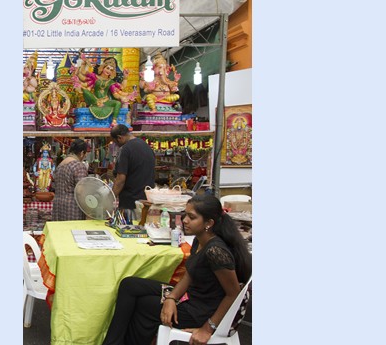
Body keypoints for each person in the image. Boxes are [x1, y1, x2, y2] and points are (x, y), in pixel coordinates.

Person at [101, 194, 252, 345]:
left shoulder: (216, 252)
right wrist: (171, 298)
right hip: (192, 296)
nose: (184, 220)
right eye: (185, 214)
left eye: (192, 217)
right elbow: (189, 276)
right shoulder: (199, 241)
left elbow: (233, 294)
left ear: (209, 223)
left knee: (144, 305)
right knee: (129, 285)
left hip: (201, 311)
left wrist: (207, 329)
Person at [74, 55, 135, 127]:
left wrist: (125, 78)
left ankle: (114, 121)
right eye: (107, 68)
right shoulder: (95, 77)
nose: (108, 71)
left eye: (111, 70)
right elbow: (83, 73)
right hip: (94, 101)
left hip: (106, 102)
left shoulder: (110, 82)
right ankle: (97, 103)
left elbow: (118, 91)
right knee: (85, 90)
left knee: (117, 103)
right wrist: (83, 64)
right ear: (103, 68)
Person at [110, 124, 155, 211]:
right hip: (147, 200)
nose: (116, 145)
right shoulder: (147, 147)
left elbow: (120, 179)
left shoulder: (125, 150)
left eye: (115, 143)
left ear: (119, 138)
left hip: (130, 202)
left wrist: (110, 198)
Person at [51, 139, 89, 221]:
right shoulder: (78, 166)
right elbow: (81, 191)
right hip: (72, 207)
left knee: (60, 232)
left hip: (58, 205)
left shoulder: (60, 165)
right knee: (73, 232)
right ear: (82, 153)